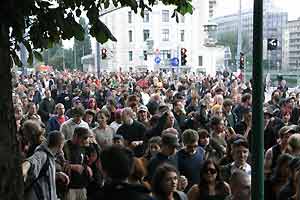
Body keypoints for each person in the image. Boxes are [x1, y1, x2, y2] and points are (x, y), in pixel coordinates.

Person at [22, 130, 67, 200]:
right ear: (61, 144)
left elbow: (43, 175)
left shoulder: (51, 156)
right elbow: (31, 161)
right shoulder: (42, 154)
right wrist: (23, 169)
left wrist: (55, 174)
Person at [63, 127, 94, 200]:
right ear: (76, 136)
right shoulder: (65, 146)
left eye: (87, 138)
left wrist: (86, 167)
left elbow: (85, 162)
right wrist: (73, 167)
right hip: (69, 188)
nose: (86, 140)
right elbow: (57, 165)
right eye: (84, 138)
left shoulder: (84, 146)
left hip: (82, 186)